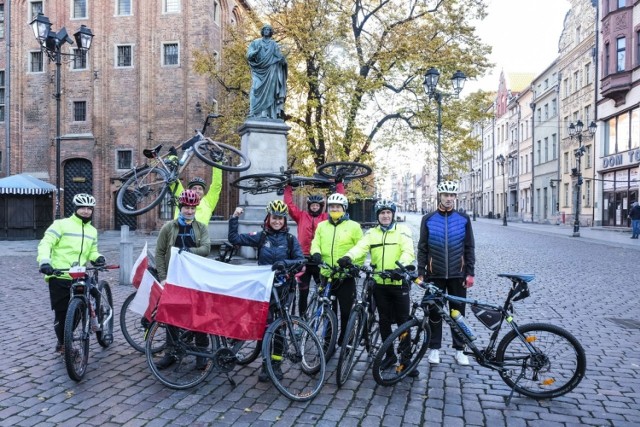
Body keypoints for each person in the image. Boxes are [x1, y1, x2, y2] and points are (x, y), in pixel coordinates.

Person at [338, 199, 418, 376]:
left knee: (404, 322)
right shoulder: (372, 233)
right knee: (384, 321)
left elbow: (408, 251)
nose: (386, 216)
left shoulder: (402, 231)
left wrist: (401, 267)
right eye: (382, 213)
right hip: (380, 284)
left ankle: (406, 359)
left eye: (389, 212)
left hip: (398, 283)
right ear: (378, 216)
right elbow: (360, 248)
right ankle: (389, 355)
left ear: (393, 214)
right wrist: (348, 257)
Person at [228, 200, 305, 382]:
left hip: (284, 290)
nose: (277, 221)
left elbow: (300, 260)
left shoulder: (290, 240)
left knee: (279, 329)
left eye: (280, 218)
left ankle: (276, 364)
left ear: (284, 221)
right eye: (274, 218)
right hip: (265, 290)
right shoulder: (261, 237)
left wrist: (285, 263)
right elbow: (235, 239)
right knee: (265, 327)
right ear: (268, 218)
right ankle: (265, 364)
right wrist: (234, 218)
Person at [37, 193, 105, 354]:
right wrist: (45, 261)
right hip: (59, 274)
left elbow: (92, 252)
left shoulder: (92, 231)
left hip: (79, 275)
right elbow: (45, 243)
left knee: (80, 309)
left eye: (89, 208)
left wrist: (98, 258)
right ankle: (62, 343)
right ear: (75, 208)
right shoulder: (61, 225)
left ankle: (94, 318)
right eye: (82, 207)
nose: (86, 211)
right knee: (61, 315)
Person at [417, 180, 475, 366]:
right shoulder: (428, 219)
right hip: (435, 275)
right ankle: (434, 349)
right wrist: (421, 272)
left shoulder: (464, 219)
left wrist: (470, 272)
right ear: (439, 196)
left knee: (457, 313)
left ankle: (460, 350)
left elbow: (469, 247)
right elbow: (422, 248)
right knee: (435, 312)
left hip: (458, 274)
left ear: (455, 197)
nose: (449, 199)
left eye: (452, 196)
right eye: (445, 195)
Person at [155, 189, 211, 369]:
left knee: (198, 314)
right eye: (186, 207)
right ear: (181, 207)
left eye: (192, 208)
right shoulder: (168, 227)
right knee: (171, 314)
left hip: (194, 278)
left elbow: (206, 248)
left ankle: (201, 353)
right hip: (174, 277)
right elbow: (160, 252)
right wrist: (163, 278)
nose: (189, 211)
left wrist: (188, 252)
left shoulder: (201, 227)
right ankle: (171, 351)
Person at [309, 193, 363, 351]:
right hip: (327, 275)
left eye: (338, 207)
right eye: (332, 207)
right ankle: (328, 342)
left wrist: (354, 266)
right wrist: (316, 253)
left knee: (346, 311)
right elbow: (315, 243)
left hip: (345, 276)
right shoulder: (322, 226)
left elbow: (360, 248)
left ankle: (346, 340)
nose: (334, 209)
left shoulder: (354, 226)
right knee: (328, 311)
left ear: (344, 209)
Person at [283, 181, 345, 317]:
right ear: (309, 206)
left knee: (322, 293)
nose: (315, 207)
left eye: (317, 205)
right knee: (303, 292)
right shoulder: (301, 216)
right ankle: (302, 321)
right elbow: (289, 206)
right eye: (313, 205)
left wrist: (339, 185)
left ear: (321, 207)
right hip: (303, 259)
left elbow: (339, 204)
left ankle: (318, 318)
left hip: (319, 259)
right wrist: (288, 188)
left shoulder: (326, 218)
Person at [247, 24, 288, 119]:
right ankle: (254, 112)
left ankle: (267, 114)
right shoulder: (255, 43)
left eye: (268, 29)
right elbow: (248, 55)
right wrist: (256, 51)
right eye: (264, 29)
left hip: (271, 70)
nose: (266, 30)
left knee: (270, 92)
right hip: (258, 70)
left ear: (270, 32)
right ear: (262, 31)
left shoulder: (274, 44)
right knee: (255, 89)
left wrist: (283, 61)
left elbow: (280, 58)